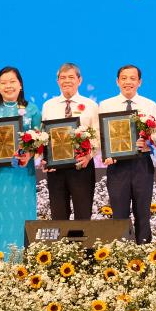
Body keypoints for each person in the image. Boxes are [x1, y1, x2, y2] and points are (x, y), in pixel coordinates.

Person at [0, 66, 40, 253]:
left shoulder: (32, 110)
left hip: (22, 175)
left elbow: (41, 140)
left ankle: (23, 259)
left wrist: (30, 154)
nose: (8, 86)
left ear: (20, 85)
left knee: (22, 216)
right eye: (3, 82)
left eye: (12, 81)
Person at [99, 64, 156, 244]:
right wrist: (106, 154)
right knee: (119, 213)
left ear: (139, 82)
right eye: (124, 78)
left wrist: (149, 142)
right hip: (117, 165)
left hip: (142, 163)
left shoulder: (150, 105)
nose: (128, 82)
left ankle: (143, 252)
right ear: (117, 81)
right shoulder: (106, 105)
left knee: (143, 212)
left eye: (132, 78)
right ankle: (122, 254)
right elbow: (101, 134)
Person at [40, 63, 98, 221]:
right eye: (62, 77)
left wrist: (88, 156)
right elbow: (44, 136)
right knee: (58, 214)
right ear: (58, 81)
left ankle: (81, 246)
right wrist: (45, 159)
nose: (67, 81)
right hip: (56, 169)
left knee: (83, 214)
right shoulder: (48, 106)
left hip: (82, 166)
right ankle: (62, 246)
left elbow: (98, 136)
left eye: (71, 77)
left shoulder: (91, 105)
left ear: (79, 80)